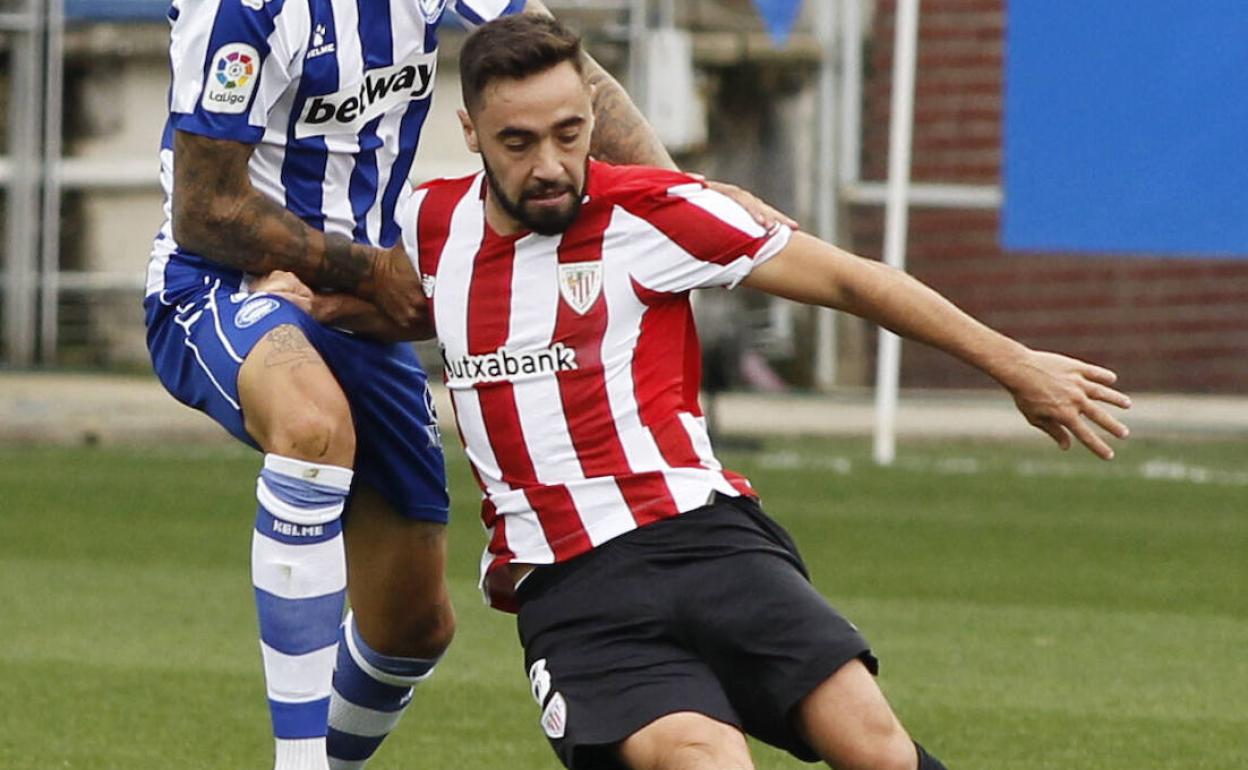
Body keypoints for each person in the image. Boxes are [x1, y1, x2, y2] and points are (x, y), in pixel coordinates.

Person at [259, 14, 1131, 770]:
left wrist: (1019, 366)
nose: (553, 164)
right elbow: (404, 310)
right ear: (473, 132)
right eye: (519, 143)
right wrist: (287, 308)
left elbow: (858, 283)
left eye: (570, 133)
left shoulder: (659, 213)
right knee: (706, 759)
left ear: (591, 117)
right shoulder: (428, 223)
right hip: (572, 590)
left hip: (708, 541)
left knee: (872, 745)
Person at [143, 3, 793, 769]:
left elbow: (568, 75)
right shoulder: (242, 11)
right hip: (222, 286)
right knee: (313, 428)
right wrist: (371, 271)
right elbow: (205, 209)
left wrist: (678, 200)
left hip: (358, 299)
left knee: (413, 626)